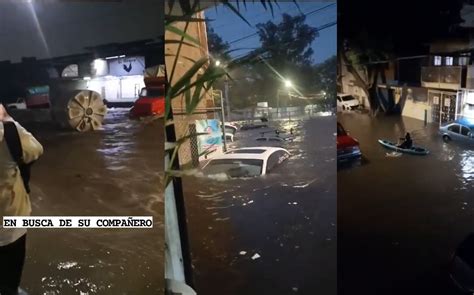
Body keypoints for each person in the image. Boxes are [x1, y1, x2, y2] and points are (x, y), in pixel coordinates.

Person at [0, 104, 43, 294]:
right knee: (10, 279)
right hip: (10, 224)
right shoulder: (9, 133)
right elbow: (35, 150)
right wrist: (8, 119)